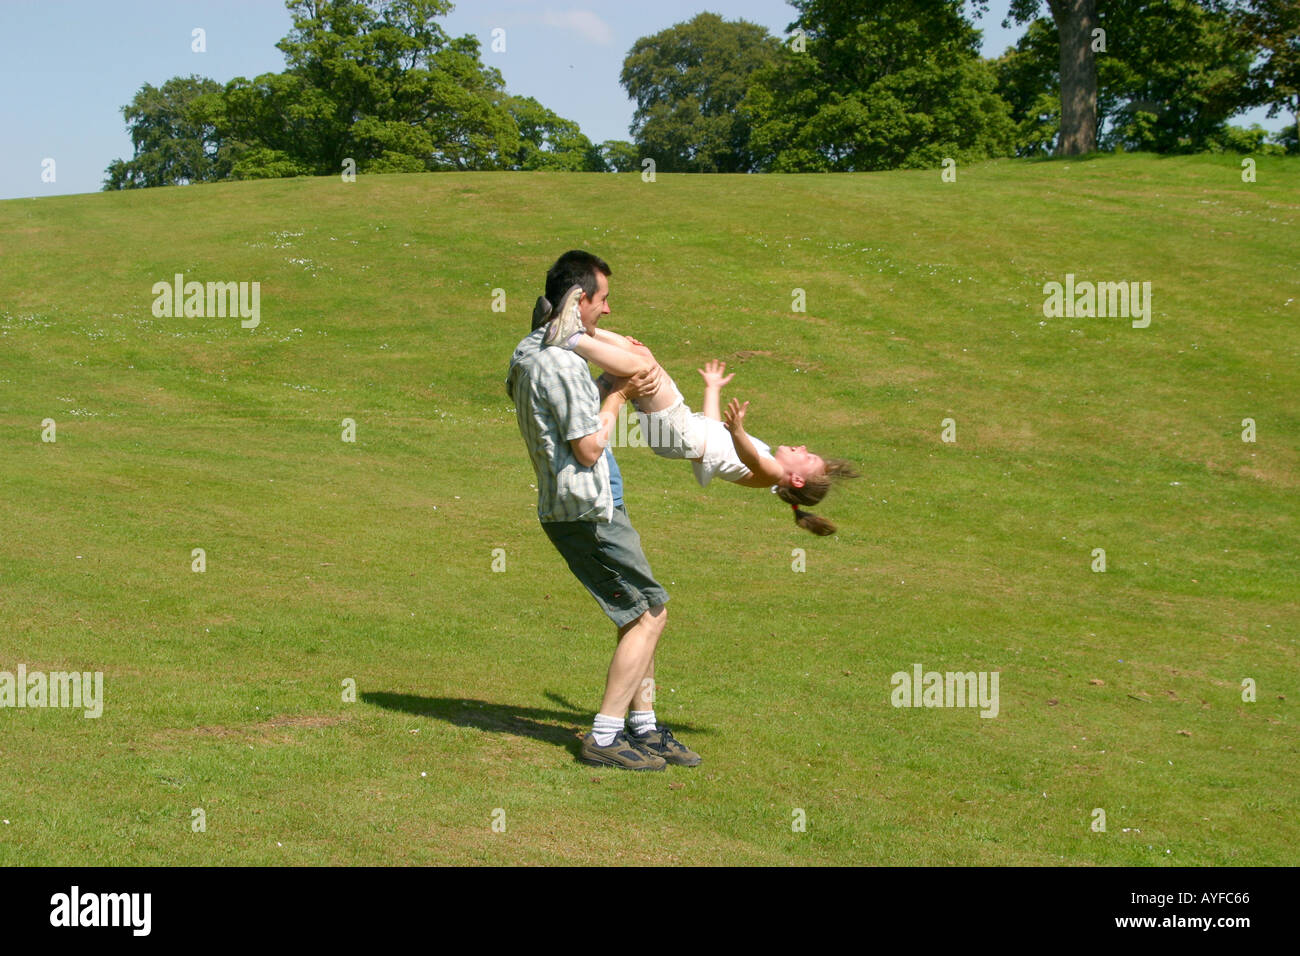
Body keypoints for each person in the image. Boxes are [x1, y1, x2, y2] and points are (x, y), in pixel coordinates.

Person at [506, 250, 700, 772]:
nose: (607, 311)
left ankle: (643, 727)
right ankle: (606, 734)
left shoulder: (528, 351)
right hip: (587, 509)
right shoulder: (560, 360)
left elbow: (566, 415)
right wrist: (617, 396)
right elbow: (589, 447)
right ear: (578, 299)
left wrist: (607, 389)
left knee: (635, 612)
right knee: (650, 611)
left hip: (583, 504)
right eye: (603, 299)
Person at [542, 288, 858, 535]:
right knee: (637, 356)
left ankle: (569, 335)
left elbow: (746, 455)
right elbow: (714, 433)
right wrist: (713, 389)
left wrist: (737, 432)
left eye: (808, 457)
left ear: (798, 481)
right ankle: (575, 335)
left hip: (679, 433)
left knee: (642, 364)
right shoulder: (769, 467)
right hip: (680, 434)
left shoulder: (773, 473)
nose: (802, 448)